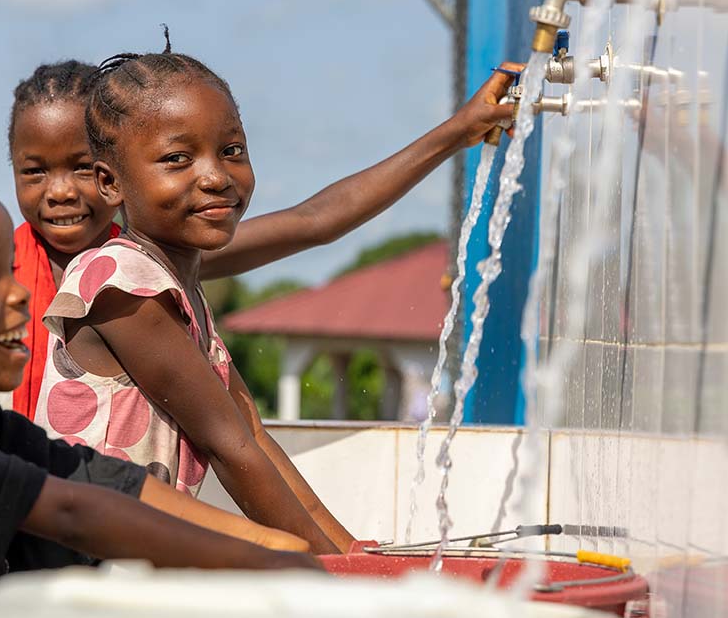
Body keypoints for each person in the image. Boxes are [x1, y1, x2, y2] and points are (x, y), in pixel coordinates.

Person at [36, 34, 520, 555]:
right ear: (110, 183)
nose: (216, 176)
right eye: (178, 158)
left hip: (126, 564)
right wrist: (333, 575)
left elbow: (254, 436)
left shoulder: (178, 283)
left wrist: (352, 554)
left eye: (232, 151)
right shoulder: (120, 283)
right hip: (77, 568)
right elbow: (230, 447)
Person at [0, 161, 318, 618]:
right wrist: (265, 563)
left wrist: (270, 545)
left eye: (10, 271)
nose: (18, 294)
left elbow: (107, 483)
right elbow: (74, 511)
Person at [9, 54, 523, 418]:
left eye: (79, 168)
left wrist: (458, 133)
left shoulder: (152, 266)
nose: (61, 193)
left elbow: (316, 219)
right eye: (35, 171)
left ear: (111, 173)